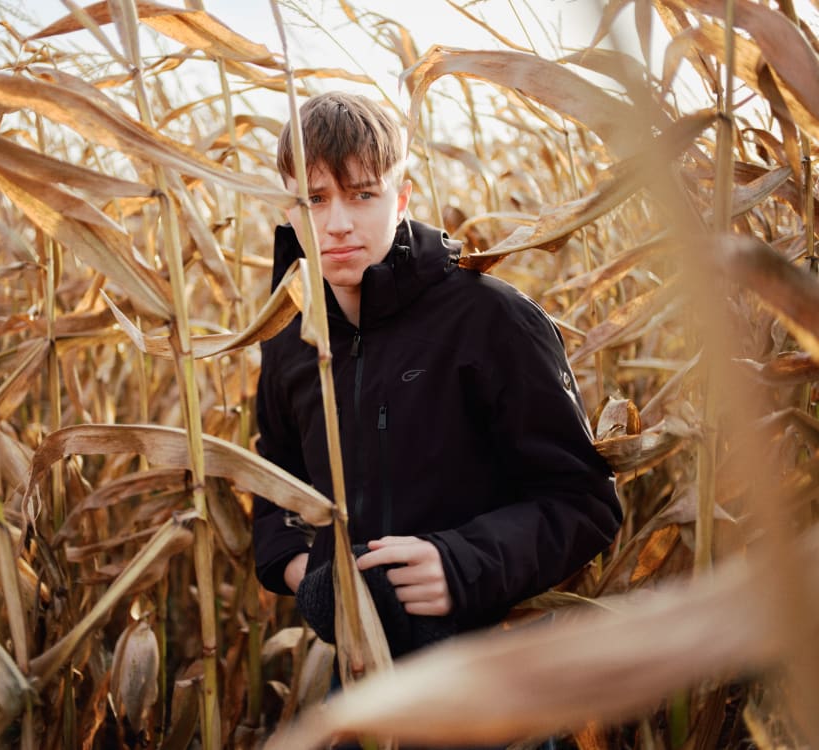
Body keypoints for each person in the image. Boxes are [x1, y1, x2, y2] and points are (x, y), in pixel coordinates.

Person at [252, 92, 621, 664]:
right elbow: (272, 481)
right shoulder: (289, 338)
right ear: (289, 212)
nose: (338, 223)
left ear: (401, 199)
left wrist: (459, 563)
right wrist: (309, 577)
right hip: (359, 672)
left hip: (494, 675)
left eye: (362, 194)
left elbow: (585, 503)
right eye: (315, 199)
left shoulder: (492, 320)